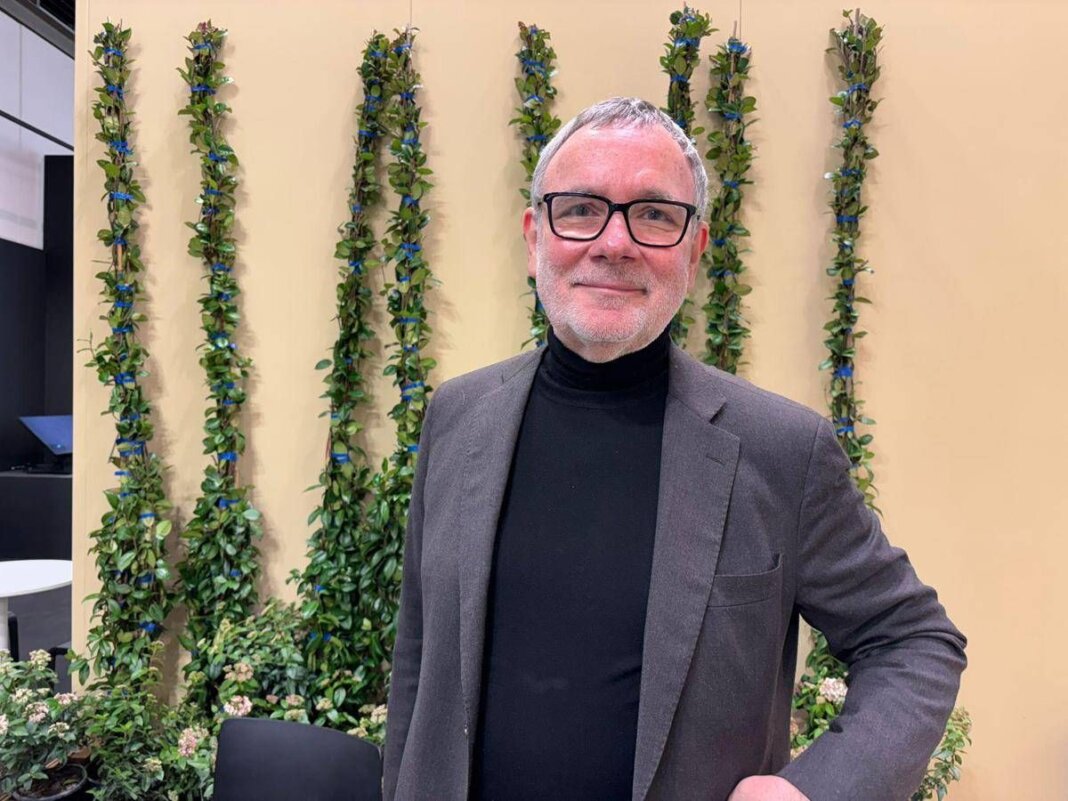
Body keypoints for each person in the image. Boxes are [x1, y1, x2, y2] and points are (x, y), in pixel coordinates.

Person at [382, 97, 966, 801]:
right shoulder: (457, 416)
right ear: (535, 237)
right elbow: (419, 657)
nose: (614, 242)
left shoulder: (781, 450)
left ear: (694, 249)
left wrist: (813, 790)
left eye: (655, 214)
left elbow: (912, 640)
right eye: (580, 209)